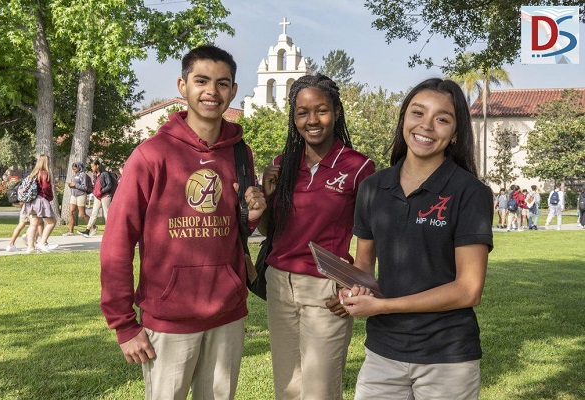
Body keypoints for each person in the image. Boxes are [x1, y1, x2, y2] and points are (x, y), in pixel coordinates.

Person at [100, 45, 266, 400]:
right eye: (201, 81)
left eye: (223, 84)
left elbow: (230, 228)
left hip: (227, 315)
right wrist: (123, 325)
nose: (212, 92)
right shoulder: (151, 155)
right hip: (169, 319)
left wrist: (250, 216)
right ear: (182, 85)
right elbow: (117, 241)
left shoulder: (241, 151)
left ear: (233, 91)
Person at [342, 78, 493, 400]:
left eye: (442, 119)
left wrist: (382, 306)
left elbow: (469, 290)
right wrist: (353, 288)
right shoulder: (372, 187)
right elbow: (364, 264)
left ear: (455, 134)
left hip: (447, 357)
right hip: (382, 353)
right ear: (403, 120)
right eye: (418, 113)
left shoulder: (471, 193)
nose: (427, 125)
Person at [260, 74, 375, 400]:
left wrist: (357, 282)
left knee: (319, 390)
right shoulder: (282, 165)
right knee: (288, 387)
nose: (312, 120)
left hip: (327, 287)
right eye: (302, 112)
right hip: (280, 285)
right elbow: (271, 231)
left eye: (321, 110)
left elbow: (369, 236)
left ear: (337, 112)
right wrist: (268, 195)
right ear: (293, 117)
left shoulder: (359, 167)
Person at [21, 154, 59, 253]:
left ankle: (30, 247)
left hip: (31, 201)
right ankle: (42, 242)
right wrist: (50, 196)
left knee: (33, 224)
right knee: (52, 222)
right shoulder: (44, 173)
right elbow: (46, 187)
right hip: (41, 200)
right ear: (46, 162)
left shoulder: (33, 173)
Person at [78, 159, 115, 237]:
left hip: (105, 196)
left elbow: (109, 185)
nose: (92, 168)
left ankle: (110, 231)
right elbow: (95, 185)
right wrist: (95, 192)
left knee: (106, 213)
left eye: (93, 166)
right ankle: (87, 230)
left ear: (97, 166)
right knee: (94, 213)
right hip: (97, 196)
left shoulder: (105, 174)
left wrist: (101, 191)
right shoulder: (95, 175)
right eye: (91, 167)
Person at [64, 162, 90, 236]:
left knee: (82, 214)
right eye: (72, 169)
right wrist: (70, 185)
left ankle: (93, 226)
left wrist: (75, 184)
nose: (74, 170)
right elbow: (74, 185)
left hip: (81, 195)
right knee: (71, 212)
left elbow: (84, 187)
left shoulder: (83, 175)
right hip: (73, 195)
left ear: (79, 167)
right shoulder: (73, 175)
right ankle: (71, 232)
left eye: (75, 169)